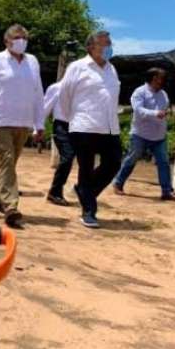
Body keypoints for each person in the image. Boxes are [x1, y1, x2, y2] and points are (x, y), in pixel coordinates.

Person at [0, 24, 44, 228]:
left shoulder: (32, 62)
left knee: (10, 164)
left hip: (23, 120)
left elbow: (38, 94)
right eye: (17, 37)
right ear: (7, 41)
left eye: (24, 37)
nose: (21, 40)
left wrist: (39, 123)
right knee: (7, 158)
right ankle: (11, 206)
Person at [57, 30, 122, 229]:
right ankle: (89, 211)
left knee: (114, 163)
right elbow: (64, 96)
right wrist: (74, 119)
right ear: (91, 47)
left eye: (109, 43)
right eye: (104, 44)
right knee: (85, 169)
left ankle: (84, 191)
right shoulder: (77, 67)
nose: (108, 47)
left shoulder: (112, 69)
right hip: (84, 125)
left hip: (110, 127)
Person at [112, 68, 175, 200]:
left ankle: (166, 191)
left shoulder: (163, 94)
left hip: (159, 135)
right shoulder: (139, 92)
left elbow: (164, 110)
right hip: (140, 134)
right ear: (154, 78)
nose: (163, 80)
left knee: (163, 162)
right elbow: (138, 110)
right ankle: (118, 183)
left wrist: (162, 116)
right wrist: (155, 113)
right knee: (132, 158)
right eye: (161, 77)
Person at [42, 81, 75, 206]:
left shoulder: (84, 89)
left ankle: (81, 190)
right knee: (67, 157)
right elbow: (46, 107)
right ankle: (55, 192)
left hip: (79, 126)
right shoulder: (56, 88)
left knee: (82, 160)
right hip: (61, 126)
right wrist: (38, 127)